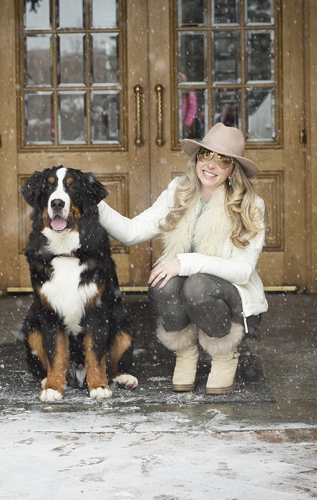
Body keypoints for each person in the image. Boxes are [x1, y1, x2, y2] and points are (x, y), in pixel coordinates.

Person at [98, 123, 268, 394]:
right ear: (196, 158)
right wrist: (96, 202)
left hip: (230, 302)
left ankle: (224, 355)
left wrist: (185, 263)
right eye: (205, 155)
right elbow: (132, 232)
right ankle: (185, 353)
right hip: (192, 296)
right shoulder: (180, 192)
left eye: (222, 159)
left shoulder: (250, 206)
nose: (211, 165)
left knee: (196, 285)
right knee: (162, 283)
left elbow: (243, 271)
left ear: (233, 168)